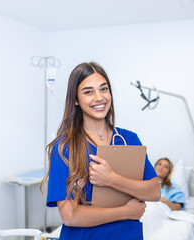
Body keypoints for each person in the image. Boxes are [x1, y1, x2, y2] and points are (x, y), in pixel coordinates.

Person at [40, 62, 161, 240]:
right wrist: (125, 212)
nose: (99, 97)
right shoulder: (64, 148)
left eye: (103, 89)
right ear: (75, 99)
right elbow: (70, 216)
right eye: (88, 92)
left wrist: (112, 179)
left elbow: (154, 191)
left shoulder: (129, 139)